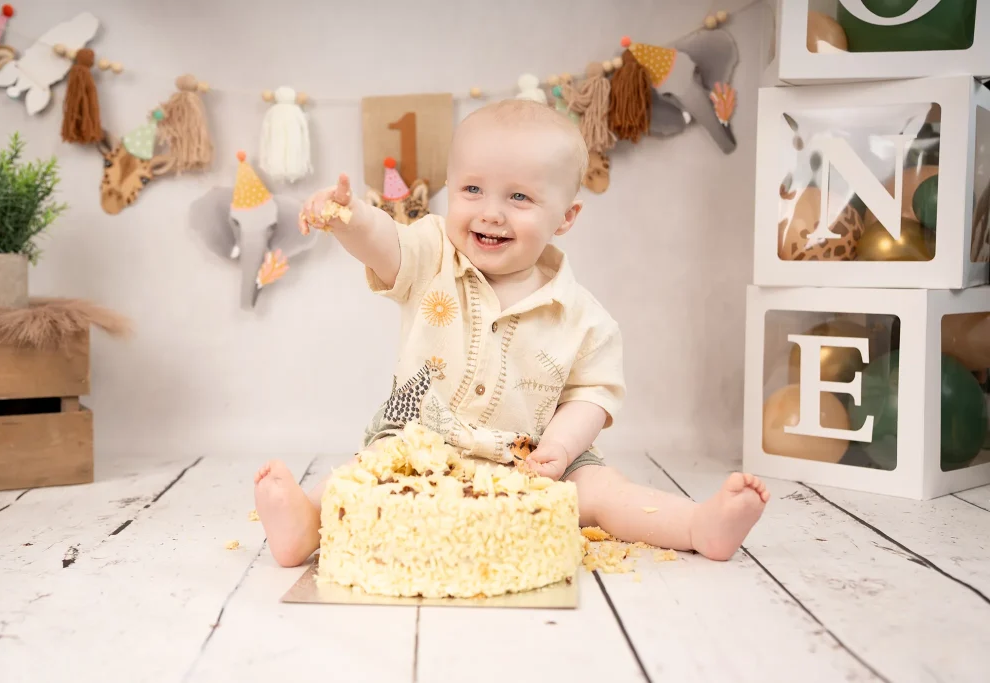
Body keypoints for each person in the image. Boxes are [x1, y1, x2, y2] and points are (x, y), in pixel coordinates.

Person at [253, 98, 769, 568]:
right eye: (471, 189)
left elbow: (594, 396)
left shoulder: (582, 316)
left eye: (519, 196)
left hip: (537, 461)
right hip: (424, 446)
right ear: (449, 190)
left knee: (604, 492)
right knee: (366, 475)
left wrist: (563, 450)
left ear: (565, 218)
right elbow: (386, 244)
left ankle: (697, 526)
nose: (491, 211)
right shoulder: (431, 253)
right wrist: (350, 218)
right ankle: (304, 524)